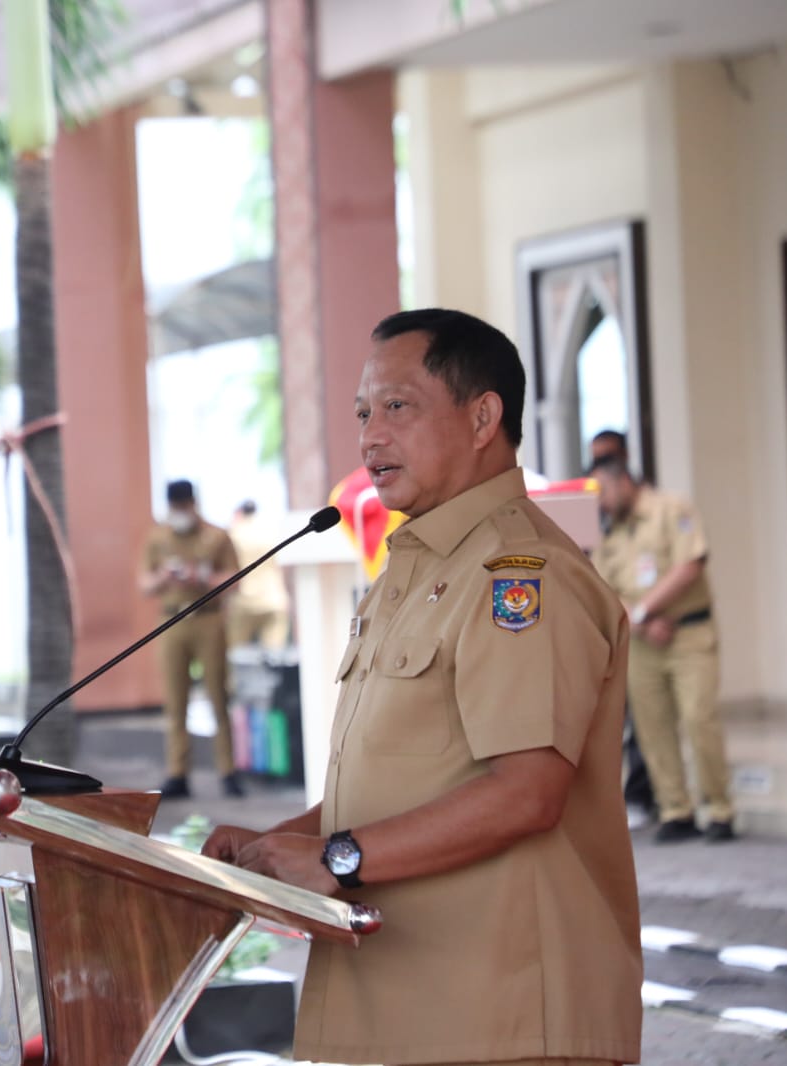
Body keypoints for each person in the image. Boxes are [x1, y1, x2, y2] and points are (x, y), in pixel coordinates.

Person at [202, 309, 641, 1066]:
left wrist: (337, 857)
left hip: (499, 1014)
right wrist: (287, 845)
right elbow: (407, 781)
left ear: (481, 417)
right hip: (409, 1004)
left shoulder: (518, 575)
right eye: (363, 413)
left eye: (397, 407)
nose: (371, 436)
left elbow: (525, 791)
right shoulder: (415, 571)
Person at [590, 449, 735, 843]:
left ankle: (719, 810)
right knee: (652, 728)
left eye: (602, 491)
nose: (600, 503)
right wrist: (641, 621)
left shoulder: (672, 510)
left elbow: (691, 565)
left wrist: (642, 611)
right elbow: (604, 589)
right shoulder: (611, 534)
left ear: (623, 480)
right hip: (642, 642)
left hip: (688, 634)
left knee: (697, 717)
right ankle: (676, 810)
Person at [140, 479, 243, 799]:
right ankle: (178, 773)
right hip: (171, 620)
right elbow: (144, 584)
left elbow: (235, 581)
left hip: (208, 620)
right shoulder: (157, 538)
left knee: (218, 696)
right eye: (175, 507)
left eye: (184, 506)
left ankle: (228, 771)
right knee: (175, 701)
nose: (180, 512)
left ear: (194, 504)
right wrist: (164, 577)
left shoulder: (216, 536)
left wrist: (203, 576)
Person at [587, 430, 657, 826]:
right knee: (624, 720)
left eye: (608, 458)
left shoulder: (653, 508)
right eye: (595, 458)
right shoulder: (600, 518)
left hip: (657, 626)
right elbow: (601, 580)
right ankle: (637, 798)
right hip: (621, 628)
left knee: (653, 725)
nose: (600, 466)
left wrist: (645, 613)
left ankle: (652, 799)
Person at [226, 500, 293, 652]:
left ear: (239, 513)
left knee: (237, 656)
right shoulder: (270, 531)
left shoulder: (233, 533)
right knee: (275, 659)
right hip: (273, 598)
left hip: (242, 601)